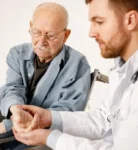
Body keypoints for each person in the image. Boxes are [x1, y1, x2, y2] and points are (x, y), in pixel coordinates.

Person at [11, 0, 138, 149]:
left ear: (130, 20)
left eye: (99, 22)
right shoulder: (125, 68)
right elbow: (104, 118)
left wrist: (52, 138)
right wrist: (49, 117)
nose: (91, 33)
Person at [0, 2, 91, 135]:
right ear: (30, 26)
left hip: (38, 134)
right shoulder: (17, 53)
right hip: (9, 115)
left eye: (51, 35)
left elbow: (66, 114)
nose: (41, 41)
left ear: (65, 35)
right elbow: (12, 88)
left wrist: (8, 125)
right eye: (36, 32)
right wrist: (15, 110)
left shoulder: (78, 65)